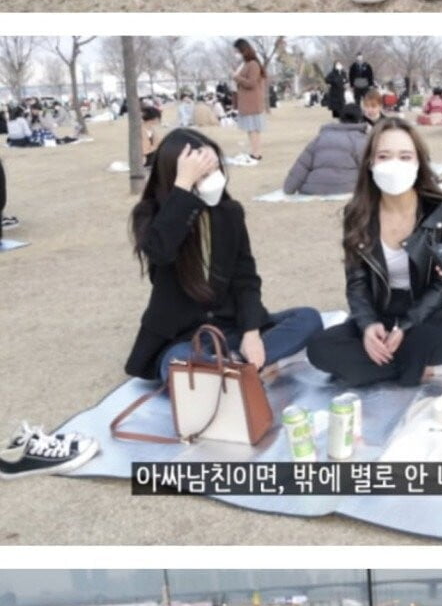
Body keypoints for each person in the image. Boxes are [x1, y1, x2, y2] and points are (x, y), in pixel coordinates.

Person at [124, 128, 323, 379]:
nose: (215, 179)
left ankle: (230, 368)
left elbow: (245, 277)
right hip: (185, 338)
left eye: (216, 169)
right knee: (178, 362)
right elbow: (160, 252)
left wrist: (251, 333)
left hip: (233, 327)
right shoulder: (152, 215)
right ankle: (239, 370)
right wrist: (183, 187)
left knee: (308, 319)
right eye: (203, 174)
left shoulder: (229, 213)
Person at [305, 117, 442, 389]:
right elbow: (356, 282)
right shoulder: (357, 214)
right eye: (384, 156)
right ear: (370, 163)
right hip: (383, 309)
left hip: (432, 312)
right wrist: (367, 325)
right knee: (320, 348)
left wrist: (406, 325)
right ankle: (421, 368)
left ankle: (387, 366)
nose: (394, 164)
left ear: (419, 162)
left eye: (405, 156)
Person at [283, 91, 380, 195]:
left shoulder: (320, 137)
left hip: (314, 187)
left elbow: (302, 165)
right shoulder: (360, 139)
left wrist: (288, 189)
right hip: (347, 186)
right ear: (359, 120)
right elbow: (368, 166)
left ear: (340, 119)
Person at [233, 39, 268, 162]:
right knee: (251, 129)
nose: (235, 53)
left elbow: (251, 83)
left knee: (253, 129)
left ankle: (256, 154)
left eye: (237, 51)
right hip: (248, 102)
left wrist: (237, 78)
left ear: (243, 50)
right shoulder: (246, 64)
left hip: (252, 102)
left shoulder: (253, 64)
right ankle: (254, 152)